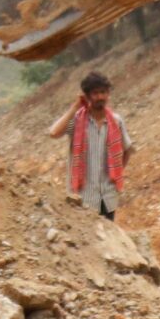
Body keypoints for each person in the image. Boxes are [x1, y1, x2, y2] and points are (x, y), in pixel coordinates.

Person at [46, 70, 129, 217]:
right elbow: (53, 133)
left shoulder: (116, 121)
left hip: (108, 197)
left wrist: (117, 172)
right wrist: (75, 107)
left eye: (103, 92)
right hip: (83, 198)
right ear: (87, 96)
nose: (100, 97)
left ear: (108, 93)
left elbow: (127, 149)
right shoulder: (77, 121)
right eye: (95, 93)